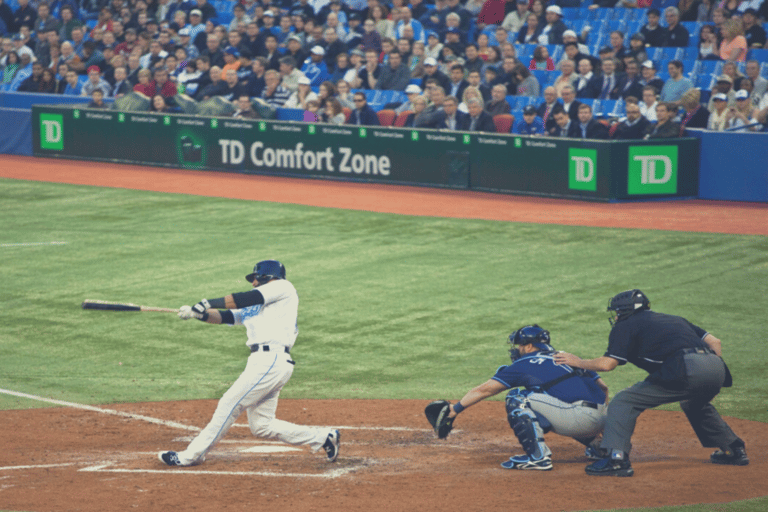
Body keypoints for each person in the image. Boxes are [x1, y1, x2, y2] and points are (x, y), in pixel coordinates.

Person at [159, 261, 340, 468]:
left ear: (267, 276)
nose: (253, 282)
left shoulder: (282, 287)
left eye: (255, 277)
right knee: (262, 426)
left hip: (270, 360)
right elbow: (227, 317)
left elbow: (245, 298)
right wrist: (199, 315)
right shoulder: (257, 306)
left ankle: (190, 456)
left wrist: (206, 302)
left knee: (229, 403)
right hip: (264, 363)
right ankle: (324, 437)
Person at [554, 289, 749, 477]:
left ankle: (617, 459)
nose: (615, 317)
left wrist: (578, 362)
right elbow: (715, 342)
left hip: (686, 368)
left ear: (625, 311)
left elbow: (607, 365)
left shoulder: (626, 325)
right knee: (694, 403)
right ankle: (734, 449)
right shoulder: (673, 318)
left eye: (617, 312)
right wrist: (707, 367)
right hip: (716, 367)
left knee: (624, 401)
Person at [444, 325, 608, 471]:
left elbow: (485, 390)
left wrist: (455, 409)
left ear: (529, 346)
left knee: (517, 398)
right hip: (603, 418)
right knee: (555, 397)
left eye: (520, 345)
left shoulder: (526, 362)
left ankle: (538, 458)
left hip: (580, 420)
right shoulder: (567, 357)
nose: (517, 349)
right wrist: (602, 426)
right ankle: (599, 446)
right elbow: (603, 388)